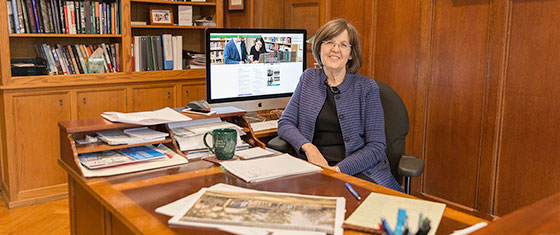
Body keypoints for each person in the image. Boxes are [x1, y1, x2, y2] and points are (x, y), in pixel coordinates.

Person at [277, 18, 403, 192]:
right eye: (329, 42)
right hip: (311, 167)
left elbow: (376, 147)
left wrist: (337, 170)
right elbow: (285, 123)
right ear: (319, 47)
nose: (335, 49)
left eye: (343, 44)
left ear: (351, 54)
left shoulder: (366, 88)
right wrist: (309, 148)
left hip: (357, 171)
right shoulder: (308, 78)